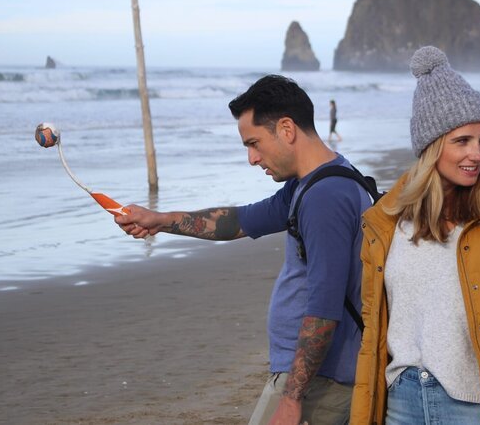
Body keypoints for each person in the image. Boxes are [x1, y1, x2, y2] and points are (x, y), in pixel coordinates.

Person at [115, 75, 371, 425]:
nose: (252, 158)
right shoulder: (314, 182)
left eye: (254, 143)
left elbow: (324, 312)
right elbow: (241, 220)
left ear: (286, 129)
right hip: (316, 376)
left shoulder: (324, 198)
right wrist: (160, 220)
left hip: (320, 382)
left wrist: (293, 398)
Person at [350, 47, 480, 424]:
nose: (476, 153)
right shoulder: (385, 222)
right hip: (400, 404)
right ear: (431, 147)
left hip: (478, 408)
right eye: (462, 140)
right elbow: (373, 334)